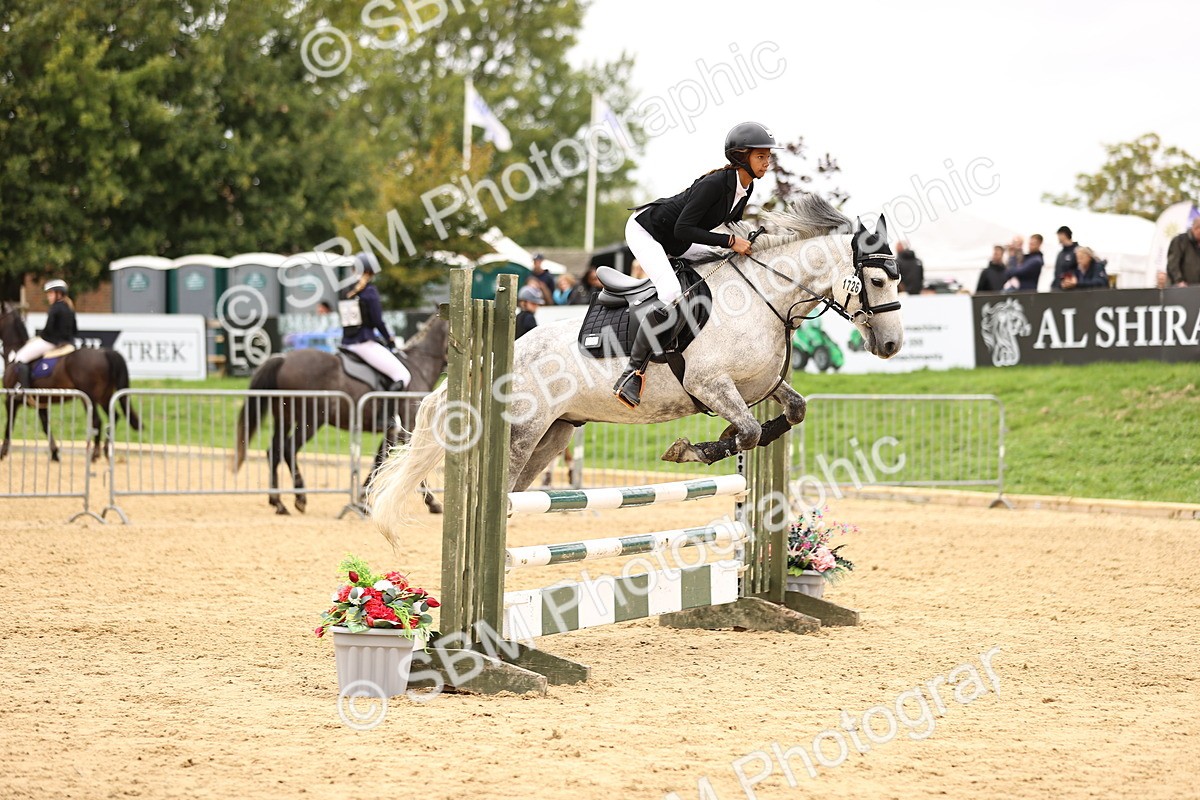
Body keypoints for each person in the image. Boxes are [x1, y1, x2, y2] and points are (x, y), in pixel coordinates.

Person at [613, 120, 782, 408]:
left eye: (768, 157)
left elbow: (730, 224)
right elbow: (683, 229)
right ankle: (632, 373)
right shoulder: (715, 184)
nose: (767, 163)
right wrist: (729, 243)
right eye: (760, 157)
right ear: (741, 157)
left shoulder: (746, 187)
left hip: (677, 238)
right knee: (669, 292)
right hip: (648, 230)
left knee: (728, 265)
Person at [339, 252, 410, 391]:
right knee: (403, 375)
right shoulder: (369, 291)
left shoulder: (345, 291)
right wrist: (389, 339)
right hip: (364, 343)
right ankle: (388, 412)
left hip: (345, 343)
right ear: (370, 271)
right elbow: (378, 321)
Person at [13, 279, 77, 391]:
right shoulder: (69, 308)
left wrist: (39, 336)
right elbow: (75, 330)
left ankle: (24, 389)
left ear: (59, 293)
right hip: (68, 343)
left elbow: (49, 330)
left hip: (51, 343)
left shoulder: (55, 308)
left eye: (50, 293)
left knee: (20, 357)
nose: (48, 297)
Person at [1166, 217, 1200, 286]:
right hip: (1180, 287)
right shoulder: (1180, 241)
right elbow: (1173, 264)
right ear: (1196, 228)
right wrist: (1179, 280)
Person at [1051, 226, 1078, 291]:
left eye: (1059, 235)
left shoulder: (1077, 251)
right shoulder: (1060, 254)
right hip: (1058, 290)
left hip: (1071, 291)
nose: (1058, 238)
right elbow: (1057, 272)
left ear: (1063, 235)